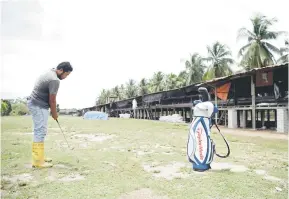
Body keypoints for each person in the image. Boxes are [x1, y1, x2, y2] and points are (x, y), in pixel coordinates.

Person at [27, 62, 73, 168]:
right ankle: (38, 161)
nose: (66, 77)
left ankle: (39, 157)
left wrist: (52, 112)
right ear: (60, 70)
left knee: (40, 130)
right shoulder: (55, 80)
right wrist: (54, 113)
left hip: (35, 103)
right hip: (38, 105)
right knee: (40, 131)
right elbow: (52, 100)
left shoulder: (50, 71)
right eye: (66, 74)